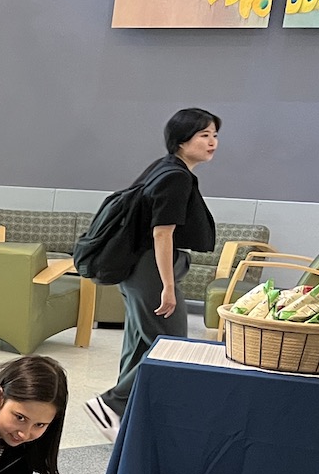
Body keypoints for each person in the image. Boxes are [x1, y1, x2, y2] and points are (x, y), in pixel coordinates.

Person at [85, 108, 220, 442]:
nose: (212, 142)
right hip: (151, 269)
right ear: (181, 139)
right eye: (204, 135)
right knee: (171, 346)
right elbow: (162, 234)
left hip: (137, 268)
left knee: (140, 342)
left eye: (215, 135)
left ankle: (126, 413)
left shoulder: (162, 169)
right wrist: (168, 287)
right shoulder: (176, 177)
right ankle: (110, 404)